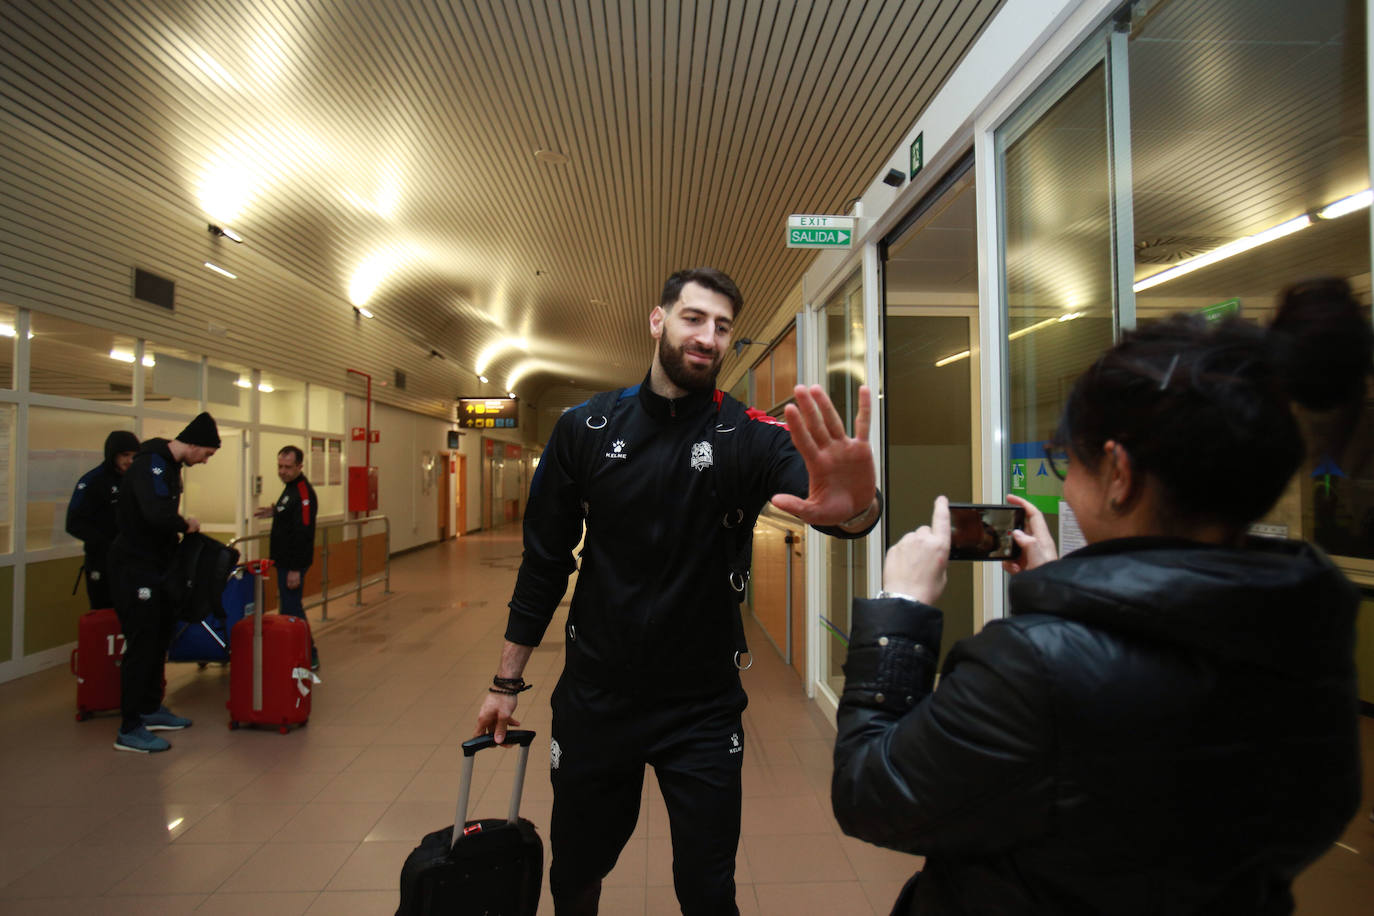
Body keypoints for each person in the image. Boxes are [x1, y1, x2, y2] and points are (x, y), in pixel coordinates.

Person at [831, 278, 1370, 914]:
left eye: (1068, 458)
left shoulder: (1031, 666)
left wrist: (902, 614)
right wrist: (1073, 589)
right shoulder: (1313, 627)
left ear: (1119, 474)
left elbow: (871, 794)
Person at [474, 267, 881, 915]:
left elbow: (830, 500)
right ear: (658, 319)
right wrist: (506, 681)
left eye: (722, 327)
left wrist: (857, 507)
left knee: (708, 886)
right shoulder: (585, 428)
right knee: (577, 868)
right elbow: (544, 564)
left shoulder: (748, 434)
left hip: (701, 709)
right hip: (596, 699)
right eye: (694, 318)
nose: (708, 337)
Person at [109, 412, 220, 753]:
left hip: (156, 568)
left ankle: (150, 708)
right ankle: (129, 727)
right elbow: (155, 514)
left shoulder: (169, 467)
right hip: (134, 570)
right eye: (207, 454)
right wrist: (184, 523)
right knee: (141, 646)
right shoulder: (151, 465)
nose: (205, 461)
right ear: (195, 444)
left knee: (158, 641)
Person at [254, 445, 319, 670]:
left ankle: (309, 654)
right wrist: (275, 511)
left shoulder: (302, 492)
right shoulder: (290, 489)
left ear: (299, 466)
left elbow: (303, 532)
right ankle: (295, 652)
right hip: (283, 561)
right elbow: (289, 514)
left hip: (293, 563)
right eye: (280, 466)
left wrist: (294, 568)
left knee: (292, 609)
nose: (282, 471)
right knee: (289, 609)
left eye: (288, 467)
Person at [65, 430, 139, 609]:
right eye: (125, 455)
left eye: (134, 456)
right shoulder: (93, 481)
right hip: (102, 563)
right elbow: (74, 523)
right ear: (112, 454)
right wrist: (109, 545)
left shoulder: (135, 481)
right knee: (104, 615)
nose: (129, 460)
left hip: (132, 563)